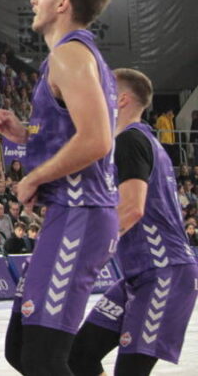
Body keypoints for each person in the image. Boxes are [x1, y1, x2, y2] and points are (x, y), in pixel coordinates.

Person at [0, 0, 119, 376]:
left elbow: (97, 140)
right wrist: (28, 138)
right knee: (21, 350)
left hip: (80, 216)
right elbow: (75, 133)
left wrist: (34, 176)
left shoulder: (70, 56)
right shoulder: (69, 58)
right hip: (68, 215)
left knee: (44, 359)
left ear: (62, 3)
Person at [69, 69, 198, 376]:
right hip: (139, 275)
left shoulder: (130, 141)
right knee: (79, 356)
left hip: (164, 271)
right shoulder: (145, 143)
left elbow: (132, 209)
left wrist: (82, 255)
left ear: (121, 99)